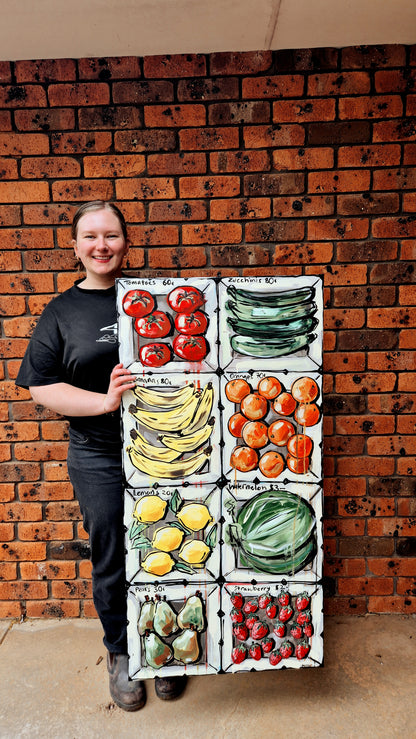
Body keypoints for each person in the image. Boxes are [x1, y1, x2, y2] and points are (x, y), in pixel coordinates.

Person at [16, 200, 187, 711]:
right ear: (76, 247)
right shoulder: (62, 312)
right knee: (113, 557)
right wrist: (105, 401)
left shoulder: (159, 300)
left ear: (126, 242)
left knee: (170, 550)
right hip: (99, 456)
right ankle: (120, 652)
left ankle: (168, 650)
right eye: (90, 236)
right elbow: (40, 387)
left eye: (111, 235)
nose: (101, 246)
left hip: (166, 451)